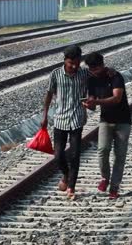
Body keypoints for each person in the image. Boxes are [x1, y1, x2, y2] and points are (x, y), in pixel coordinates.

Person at [41, 45, 88, 200]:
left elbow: (99, 75)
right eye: (70, 63)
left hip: (77, 118)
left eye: (77, 63)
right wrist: (45, 116)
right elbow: (48, 95)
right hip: (60, 118)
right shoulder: (55, 74)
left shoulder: (84, 73)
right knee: (58, 155)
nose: (74, 66)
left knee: (75, 154)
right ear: (65, 61)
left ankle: (71, 187)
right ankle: (66, 175)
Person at [83, 52, 132, 200]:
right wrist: (87, 103)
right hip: (105, 119)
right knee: (103, 149)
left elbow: (117, 98)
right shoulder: (91, 80)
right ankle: (105, 177)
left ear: (102, 65)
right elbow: (92, 103)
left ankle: (114, 187)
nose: (94, 71)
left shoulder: (115, 76)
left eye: (96, 68)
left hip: (123, 121)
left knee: (120, 155)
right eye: (91, 69)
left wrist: (97, 102)